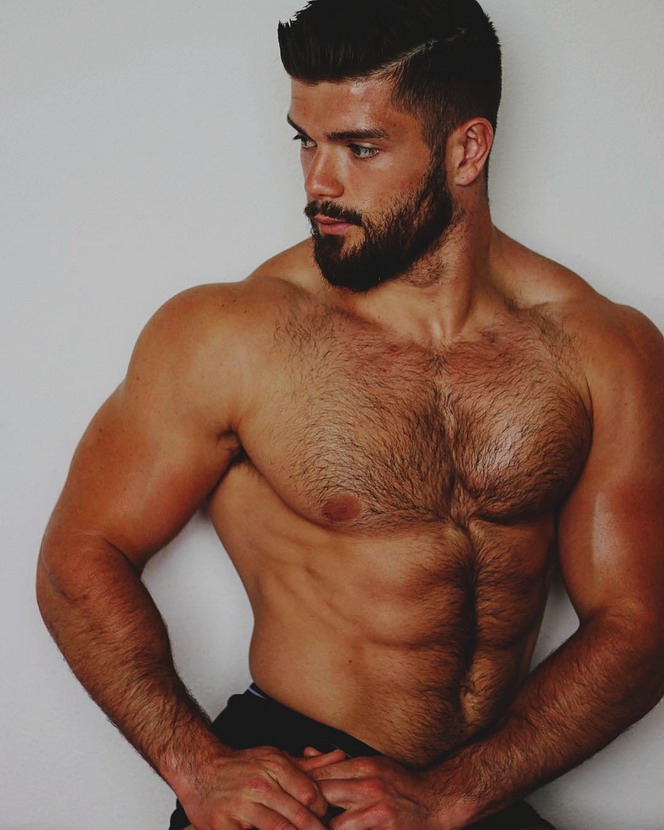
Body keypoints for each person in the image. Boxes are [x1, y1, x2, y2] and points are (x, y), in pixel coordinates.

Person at [36, 0, 664, 828]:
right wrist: (197, 767)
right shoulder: (233, 335)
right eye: (306, 141)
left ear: (467, 149)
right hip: (297, 789)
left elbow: (639, 623)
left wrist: (455, 793)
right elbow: (80, 556)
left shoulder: (601, 348)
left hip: (483, 786)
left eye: (360, 148)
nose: (318, 184)